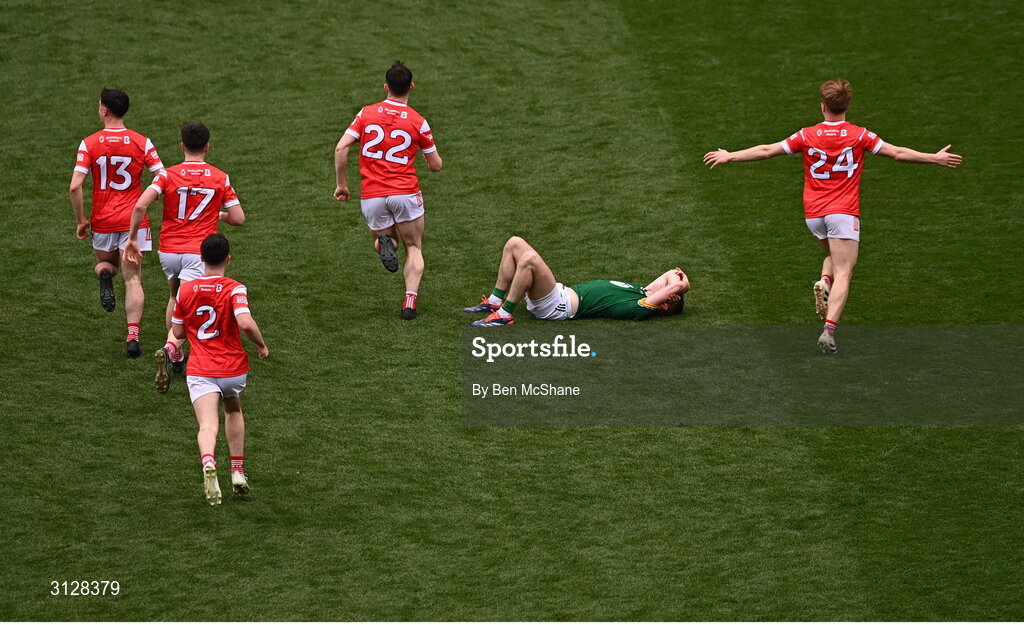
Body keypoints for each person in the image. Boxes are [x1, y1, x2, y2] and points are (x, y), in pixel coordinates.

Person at [703, 79, 962, 354]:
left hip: (813, 214)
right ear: (846, 105)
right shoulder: (860, 135)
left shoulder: (806, 134)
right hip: (843, 211)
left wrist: (730, 156)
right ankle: (829, 330)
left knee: (833, 258)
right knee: (845, 270)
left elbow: (767, 150)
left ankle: (824, 281)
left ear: (823, 106)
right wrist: (933, 158)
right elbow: (897, 153)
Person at [123, 123, 245, 391]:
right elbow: (238, 218)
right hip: (196, 254)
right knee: (188, 306)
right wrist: (217, 214)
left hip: (168, 251)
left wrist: (132, 239)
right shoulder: (219, 177)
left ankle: (176, 353)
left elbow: (141, 204)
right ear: (207, 147)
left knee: (174, 297)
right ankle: (170, 348)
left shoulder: (167, 175)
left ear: (182, 146)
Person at [334, 61, 443, 320]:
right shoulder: (418, 121)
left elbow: (341, 148)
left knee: (388, 239)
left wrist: (342, 185)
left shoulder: (366, 114)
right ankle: (409, 303)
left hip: (372, 195)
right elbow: (436, 165)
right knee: (414, 246)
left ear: (386, 87)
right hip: (404, 192)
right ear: (411, 87)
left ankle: (385, 243)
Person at [170, 234, 268, 506]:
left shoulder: (185, 290)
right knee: (233, 410)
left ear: (201, 258)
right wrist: (261, 345)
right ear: (228, 258)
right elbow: (246, 324)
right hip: (233, 368)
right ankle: (237, 471)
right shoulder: (235, 288)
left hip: (201, 368)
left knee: (208, 424)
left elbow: (177, 331)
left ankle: (209, 461)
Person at [70, 88, 164, 357]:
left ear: (104, 110)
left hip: (103, 222)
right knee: (133, 279)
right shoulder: (142, 142)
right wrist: (145, 200)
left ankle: (104, 274)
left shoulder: (89, 143)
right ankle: (133, 335)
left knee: (105, 263)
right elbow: (163, 177)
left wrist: (81, 221)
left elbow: (75, 187)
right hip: (135, 222)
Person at [465, 236, 689, 326]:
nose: (665, 285)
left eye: (670, 293)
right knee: (514, 243)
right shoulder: (642, 291)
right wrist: (679, 279)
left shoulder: (641, 307)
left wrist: (680, 284)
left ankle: (504, 315)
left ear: (666, 304)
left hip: (557, 306)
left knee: (529, 259)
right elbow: (672, 275)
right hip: (558, 294)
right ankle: (495, 301)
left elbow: (678, 284)